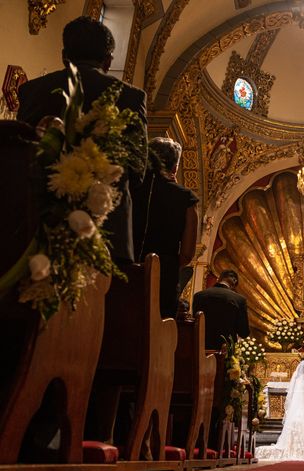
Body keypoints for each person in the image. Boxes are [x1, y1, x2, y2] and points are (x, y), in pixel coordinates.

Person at [17, 16, 147, 264]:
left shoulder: (32, 91)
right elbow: (137, 170)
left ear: (64, 55)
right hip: (106, 231)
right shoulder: (131, 97)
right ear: (108, 61)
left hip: (36, 224)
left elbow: (21, 156)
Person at [132, 137, 198, 318]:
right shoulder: (186, 200)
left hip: (125, 272)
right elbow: (186, 254)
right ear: (175, 167)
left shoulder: (130, 188)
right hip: (163, 280)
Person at [255, 359, 304, 461]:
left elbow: (292, 390)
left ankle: (291, 443)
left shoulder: (296, 375)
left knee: (296, 419)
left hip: (298, 399)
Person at [193, 269, 250, 350]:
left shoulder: (199, 296)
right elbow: (244, 332)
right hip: (225, 350)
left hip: (202, 349)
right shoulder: (239, 299)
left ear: (219, 279)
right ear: (234, 282)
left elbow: (195, 323)